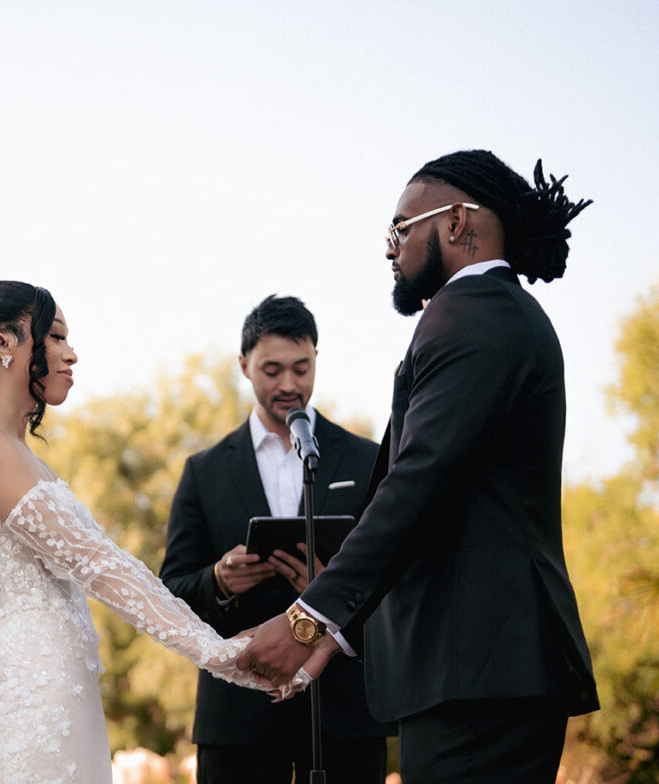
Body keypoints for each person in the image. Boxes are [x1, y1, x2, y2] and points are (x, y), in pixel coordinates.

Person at [238, 150, 600, 783]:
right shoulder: (486, 315)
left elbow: (419, 484)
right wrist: (338, 632)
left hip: (480, 670)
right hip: (478, 670)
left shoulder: (474, 314)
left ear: (458, 222)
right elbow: (437, 494)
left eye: (401, 228)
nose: (391, 249)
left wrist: (308, 616)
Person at [0, 275, 312, 784]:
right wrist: (215, 651)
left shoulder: (19, 453)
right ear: (3, 345)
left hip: (62, 689)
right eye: (56, 336)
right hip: (26, 694)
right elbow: (98, 565)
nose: (71, 354)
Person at [160, 294, 391, 784]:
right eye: (272, 369)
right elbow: (170, 592)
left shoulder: (367, 459)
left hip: (344, 715)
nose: (289, 384)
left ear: (316, 361)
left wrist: (334, 591)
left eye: (301, 368)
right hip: (237, 719)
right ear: (244, 365)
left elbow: (396, 581)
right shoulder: (203, 473)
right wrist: (220, 581)